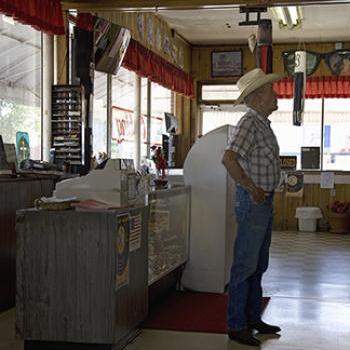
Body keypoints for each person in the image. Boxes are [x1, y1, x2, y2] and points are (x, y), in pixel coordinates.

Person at [222, 68, 282, 347]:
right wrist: (252, 188)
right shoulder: (249, 123)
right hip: (254, 202)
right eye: (271, 90)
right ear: (258, 97)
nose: (276, 94)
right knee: (245, 266)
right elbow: (229, 159)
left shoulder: (261, 124)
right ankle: (237, 324)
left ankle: (251, 317)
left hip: (261, 202)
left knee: (258, 265)